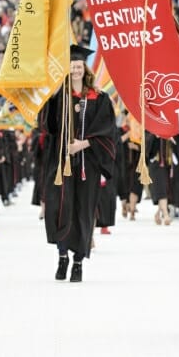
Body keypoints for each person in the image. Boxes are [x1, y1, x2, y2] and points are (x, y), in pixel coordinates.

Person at [40, 45, 116, 283]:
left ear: (85, 68)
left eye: (78, 64)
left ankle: (78, 262)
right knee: (60, 209)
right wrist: (51, 99)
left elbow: (107, 132)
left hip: (87, 166)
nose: (75, 68)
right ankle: (62, 256)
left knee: (83, 211)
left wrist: (82, 145)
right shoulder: (59, 96)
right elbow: (48, 128)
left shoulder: (99, 98)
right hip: (60, 166)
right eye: (71, 64)